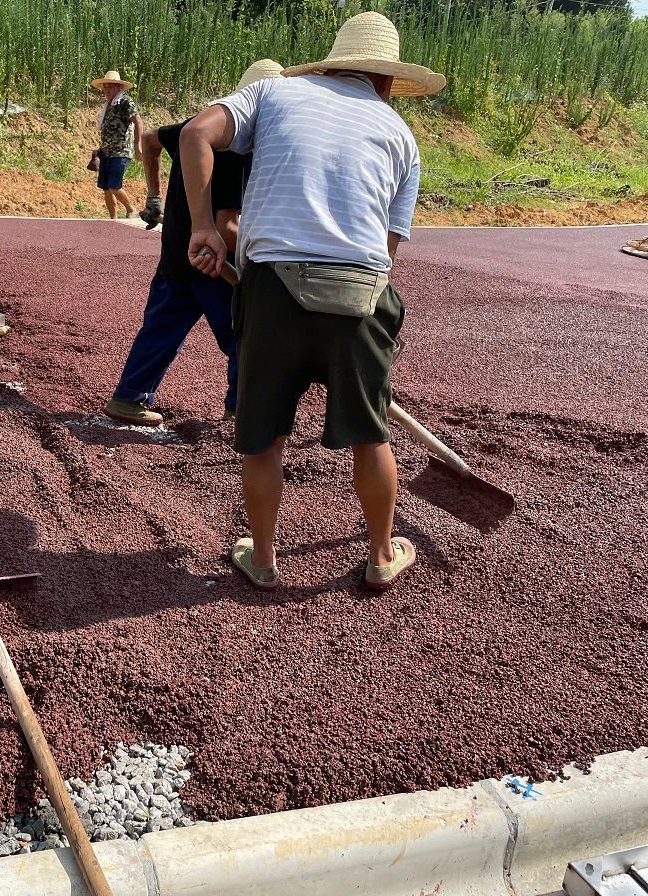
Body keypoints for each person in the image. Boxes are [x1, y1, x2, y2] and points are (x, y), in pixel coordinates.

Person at [179, 12, 446, 592]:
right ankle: (380, 554)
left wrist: (203, 229)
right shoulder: (401, 135)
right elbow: (387, 249)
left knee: (264, 436)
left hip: (273, 290)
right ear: (387, 80)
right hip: (362, 297)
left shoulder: (274, 93)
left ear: (330, 61)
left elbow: (195, 132)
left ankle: (265, 559)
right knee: (371, 433)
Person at [104, 60, 283, 428]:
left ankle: (128, 397)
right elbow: (226, 226)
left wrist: (154, 195)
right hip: (213, 264)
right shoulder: (238, 148)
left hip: (175, 253)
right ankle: (241, 410)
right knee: (242, 337)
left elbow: (150, 140)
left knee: (160, 329)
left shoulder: (196, 126)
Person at [90, 70, 143, 219]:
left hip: (121, 152)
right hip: (106, 152)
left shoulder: (125, 102)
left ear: (117, 87)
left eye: (110, 87)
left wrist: (138, 146)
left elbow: (138, 121)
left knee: (114, 186)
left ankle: (131, 209)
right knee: (106, 189)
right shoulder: (109, 105)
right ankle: (113, 219)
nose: (106, 90)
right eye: (104, 87)